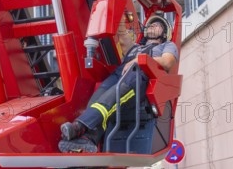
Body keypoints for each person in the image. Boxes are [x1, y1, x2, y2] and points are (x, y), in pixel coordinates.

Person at [58, 13, 179, 153]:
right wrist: (119, 10)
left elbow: (167, 62)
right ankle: (88, 140)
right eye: (151, 24)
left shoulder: (167, 46)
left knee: (110, 99)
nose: (152, 25)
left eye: (157, 25)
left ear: (165, 33)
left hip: (138, 78)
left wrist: (137, 60)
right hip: (119, 74)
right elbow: (121, 34)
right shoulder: (135, 47)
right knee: (95, 101)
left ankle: (79, 126)